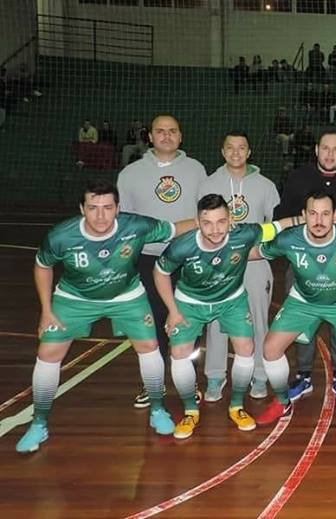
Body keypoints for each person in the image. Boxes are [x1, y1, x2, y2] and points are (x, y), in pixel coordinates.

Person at [16, 181, 195, 453]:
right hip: (75, 298)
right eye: (93, 208)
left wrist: (210, 221)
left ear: (118, 208)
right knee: (48, 352)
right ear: (82, 209)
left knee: (149, 346)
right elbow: (43, 266)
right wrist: (46, 310)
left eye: (108, 208)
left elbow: (175, 228)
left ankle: (158, 409)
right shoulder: (61, 235)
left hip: (126, 296)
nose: (100, 215)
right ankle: (39, 423)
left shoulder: (134, 226)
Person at [153, 195, 295, 439]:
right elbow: (159, 272)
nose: (215, 229)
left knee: (246, 347)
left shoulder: (244, 234)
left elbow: (279, 226)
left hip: (231, 300)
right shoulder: (182, 246)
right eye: (207, 223)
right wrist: (173, 311)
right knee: (179, 353)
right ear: (197, 222)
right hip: (191, 303)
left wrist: (308, 217)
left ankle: (237, 406)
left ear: (231, 221)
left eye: (221, 221)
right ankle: (190, 410)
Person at [254, 191, 336, 429]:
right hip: (303, 301)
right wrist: (223, 250)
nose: (318, 220)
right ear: (303, 215)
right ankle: (282, 400)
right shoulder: (289, 239)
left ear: (335, 216)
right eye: (313, 213)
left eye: (326, 214)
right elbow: (257, 252)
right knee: (270, 349)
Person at [117, 114, 207, 407]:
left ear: (181, 137)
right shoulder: (129, 174)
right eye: (160, 131)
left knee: (188, 322)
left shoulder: (197, 170)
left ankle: (188, 383)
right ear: (150, 137)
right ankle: (151, 383)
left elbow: (206, 214)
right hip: (147, 259)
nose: (166, 136)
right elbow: (125, 222)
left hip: (187, 257)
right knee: (151, 323)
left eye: (172, 131)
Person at [274, 128, 336, 403]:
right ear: (316, 150)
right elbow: (281, 216)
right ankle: (303, 374)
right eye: (325, 148)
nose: (330, 154)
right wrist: (306, 221)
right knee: (302, 320)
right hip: (302, 264)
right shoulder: (299, 178)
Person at [199, 131, 281, 402]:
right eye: (230, 148)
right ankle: (215, 376)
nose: (236, 153)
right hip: (218, 265)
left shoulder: (266, 185)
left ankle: (259, 375)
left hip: (255, 263)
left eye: (241, 148)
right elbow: (198, 224)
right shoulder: (209, 182)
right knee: (216, 321)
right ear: (223, 152)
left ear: (249, 152)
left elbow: (274, 229)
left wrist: (261, 251)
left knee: (258, 319)